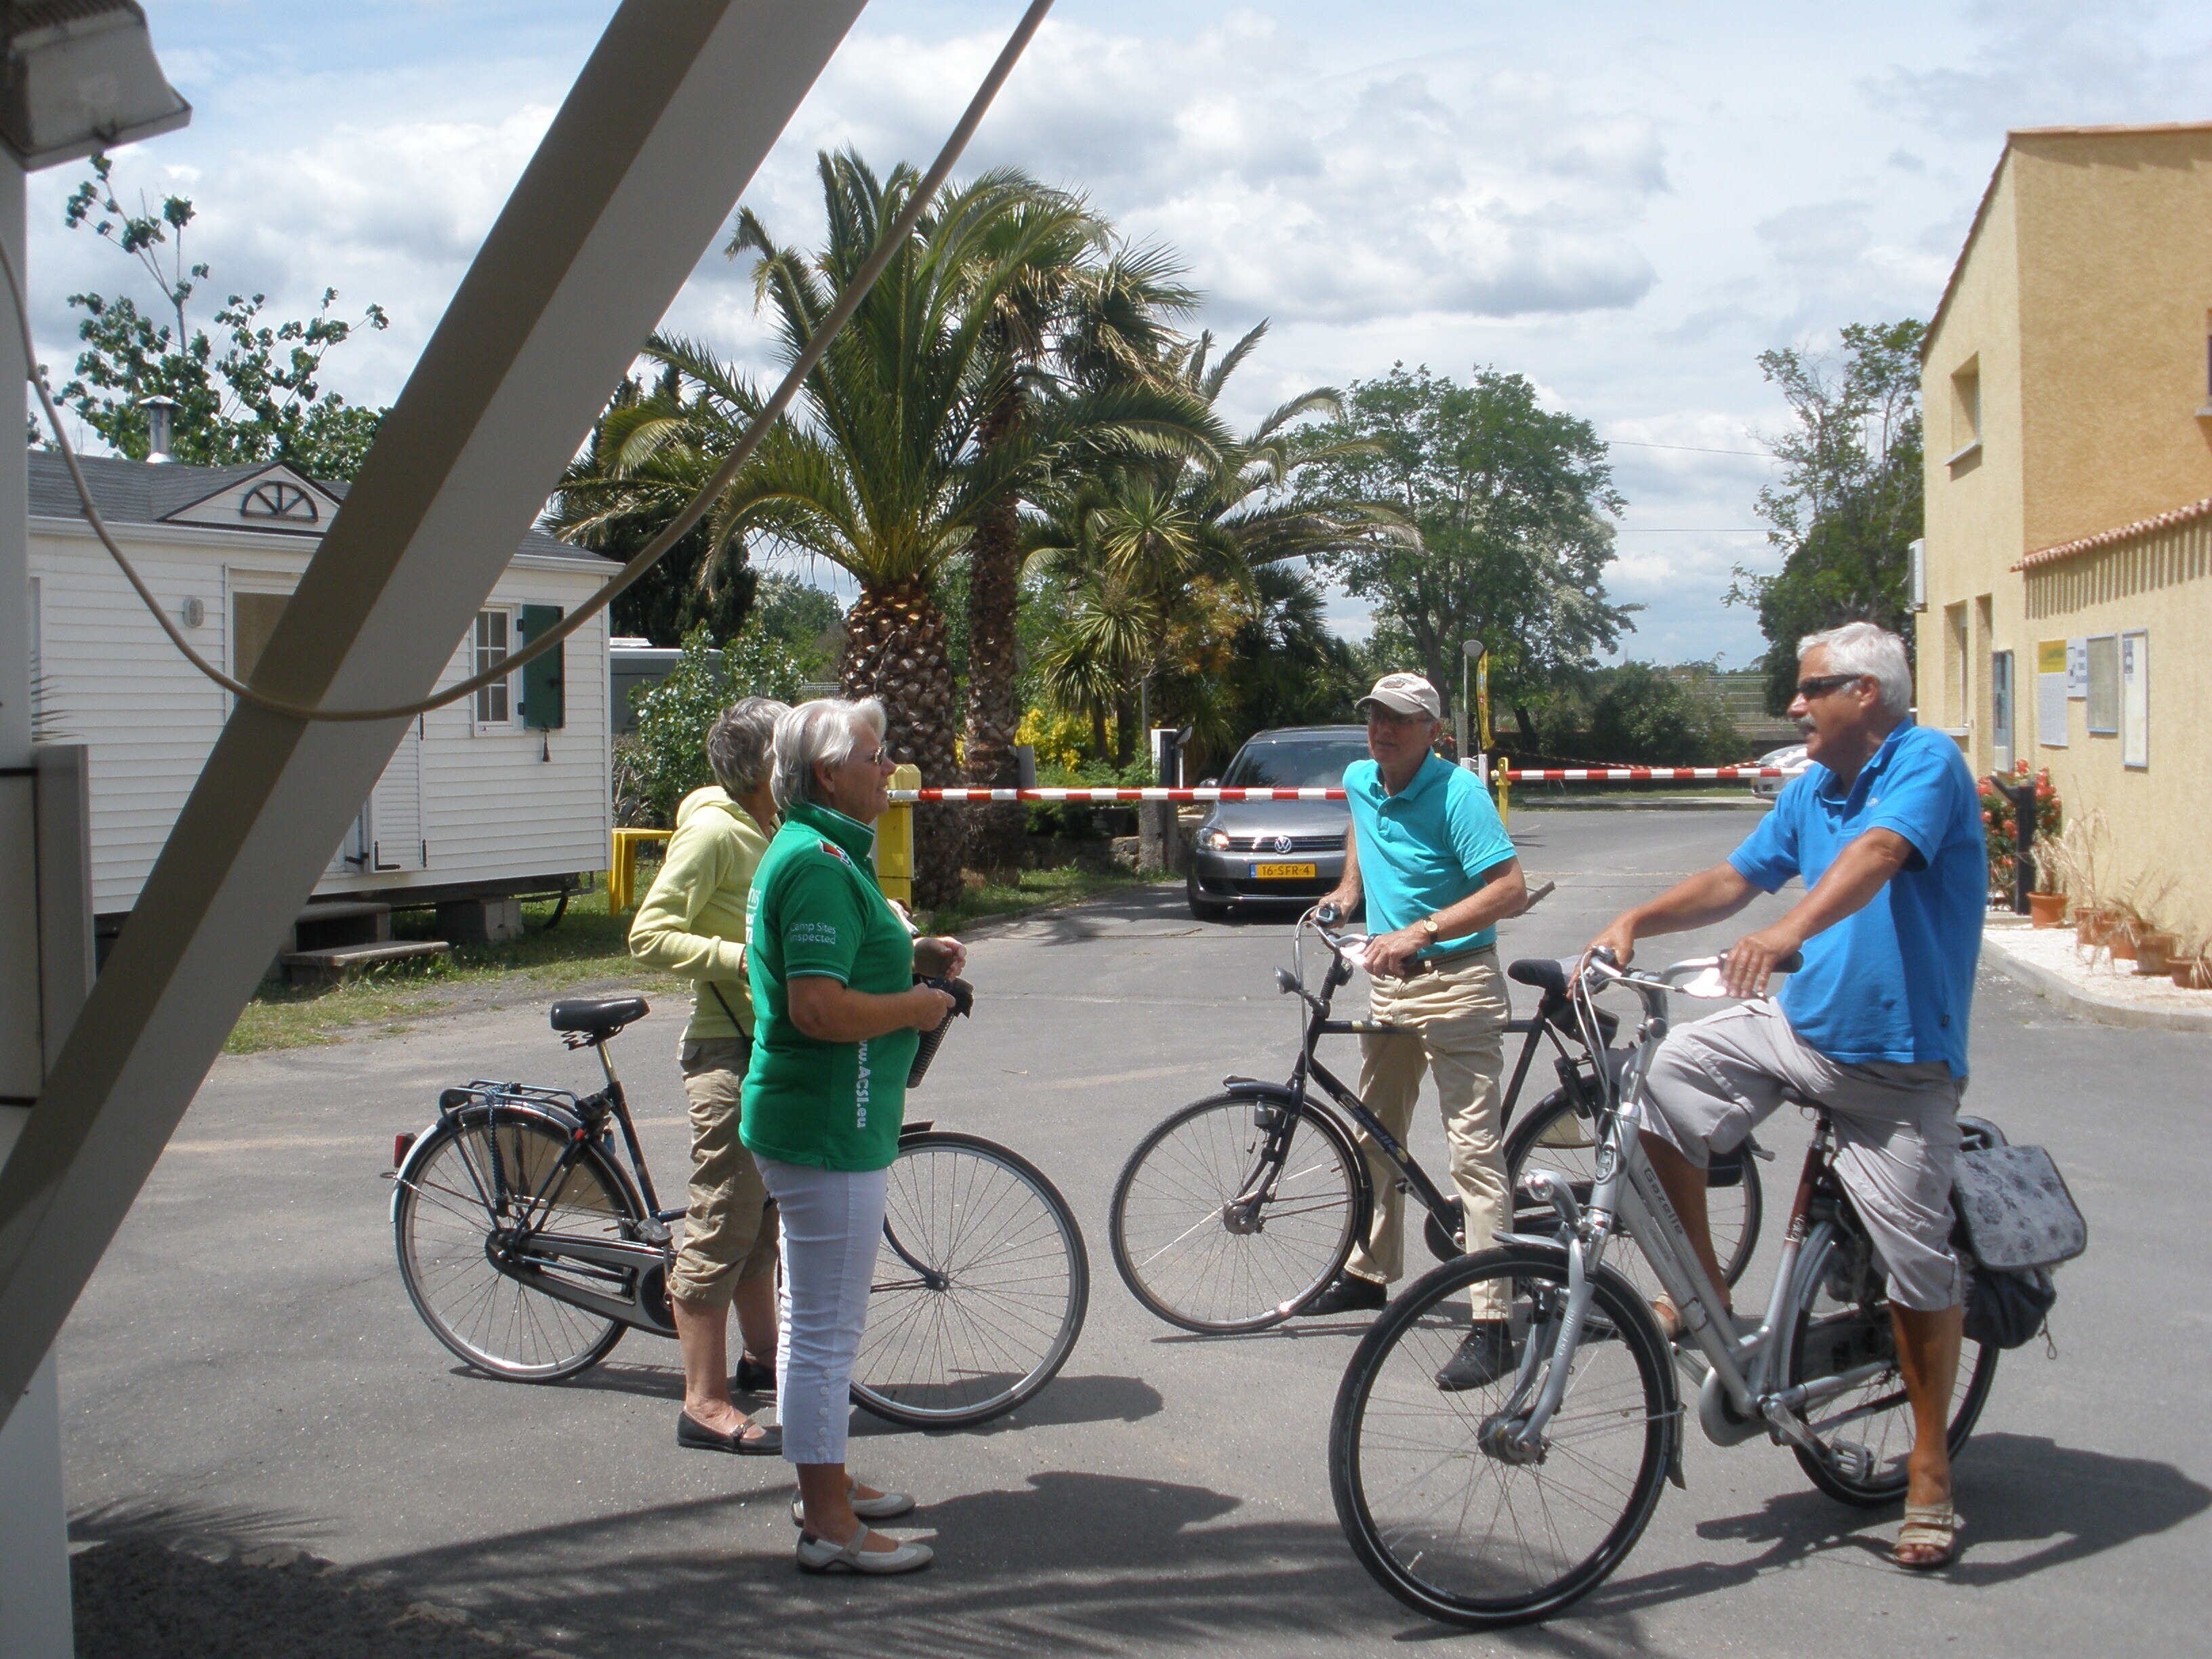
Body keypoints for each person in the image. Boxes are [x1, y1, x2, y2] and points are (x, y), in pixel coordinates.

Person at [1589, 621, 1982, 1572]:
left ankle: (1929, 1472)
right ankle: (1708, 1292)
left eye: (1812, 689)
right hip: (1796, 1030)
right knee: (1657, 1085)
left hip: (1897, 1065)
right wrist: (1636, 918)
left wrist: (1789, 931)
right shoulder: (1812, 789)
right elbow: (1736, 877)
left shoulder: (1925, 761)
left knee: (1919, 1267)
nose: (1794, 705)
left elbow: (1881, 855)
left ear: (1869, 696)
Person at [743, 697, 965, 1576]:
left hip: (833, 1117)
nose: (889, 769)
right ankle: (830, 1525)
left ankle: (822, 1484)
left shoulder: (826, 852)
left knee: (812, 1324)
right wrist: (915, 1005)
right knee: (827, 1333)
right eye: (875, 755)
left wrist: (914, 960)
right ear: (829, 772)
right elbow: (817, 1006)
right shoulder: (818, 867)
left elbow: (843, 969)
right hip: (825, 1124)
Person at [1311, 672, 1528, 1391]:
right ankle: (1369, 1273)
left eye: (1403, 719)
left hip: (1457, 979)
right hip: (1389, 982)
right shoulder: (1360, 778)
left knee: (1473, 1152)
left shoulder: (1459, 794)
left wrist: (1422, 930)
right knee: (1376, 1135)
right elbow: (1360, 827)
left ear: (1433, 732)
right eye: (1376, 715)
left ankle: (1494, 1323)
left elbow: (1509, 889)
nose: (1385, 729)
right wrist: (1350, 892)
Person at [628, 697, 790, 1456]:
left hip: (767, 1044)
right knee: (722, 1219)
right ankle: (703, 1400)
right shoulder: (713, 831)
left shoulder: (769, 825)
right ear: (766, 766)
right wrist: (738, 960)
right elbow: (648, 932)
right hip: (726, 1049)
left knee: (759, 1225)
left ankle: (762, 1361)